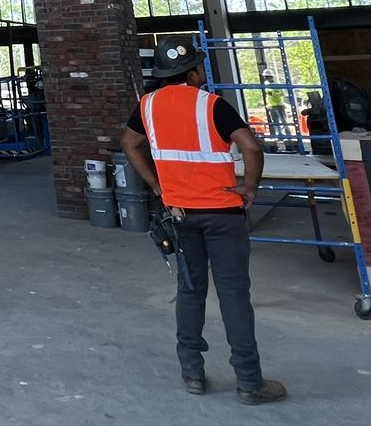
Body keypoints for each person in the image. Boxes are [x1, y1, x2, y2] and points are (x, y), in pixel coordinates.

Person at [121, 47, 287, 406]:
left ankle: (192, 373)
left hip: (180, 213)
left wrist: (155, 184)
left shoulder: (147, 105)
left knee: (190, 290)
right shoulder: (211, 105)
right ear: (193, 72)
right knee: (233, 295)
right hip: (223, 214)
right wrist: (250, 189)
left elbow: (129, 143)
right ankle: (249, 382)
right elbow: (251, 148)